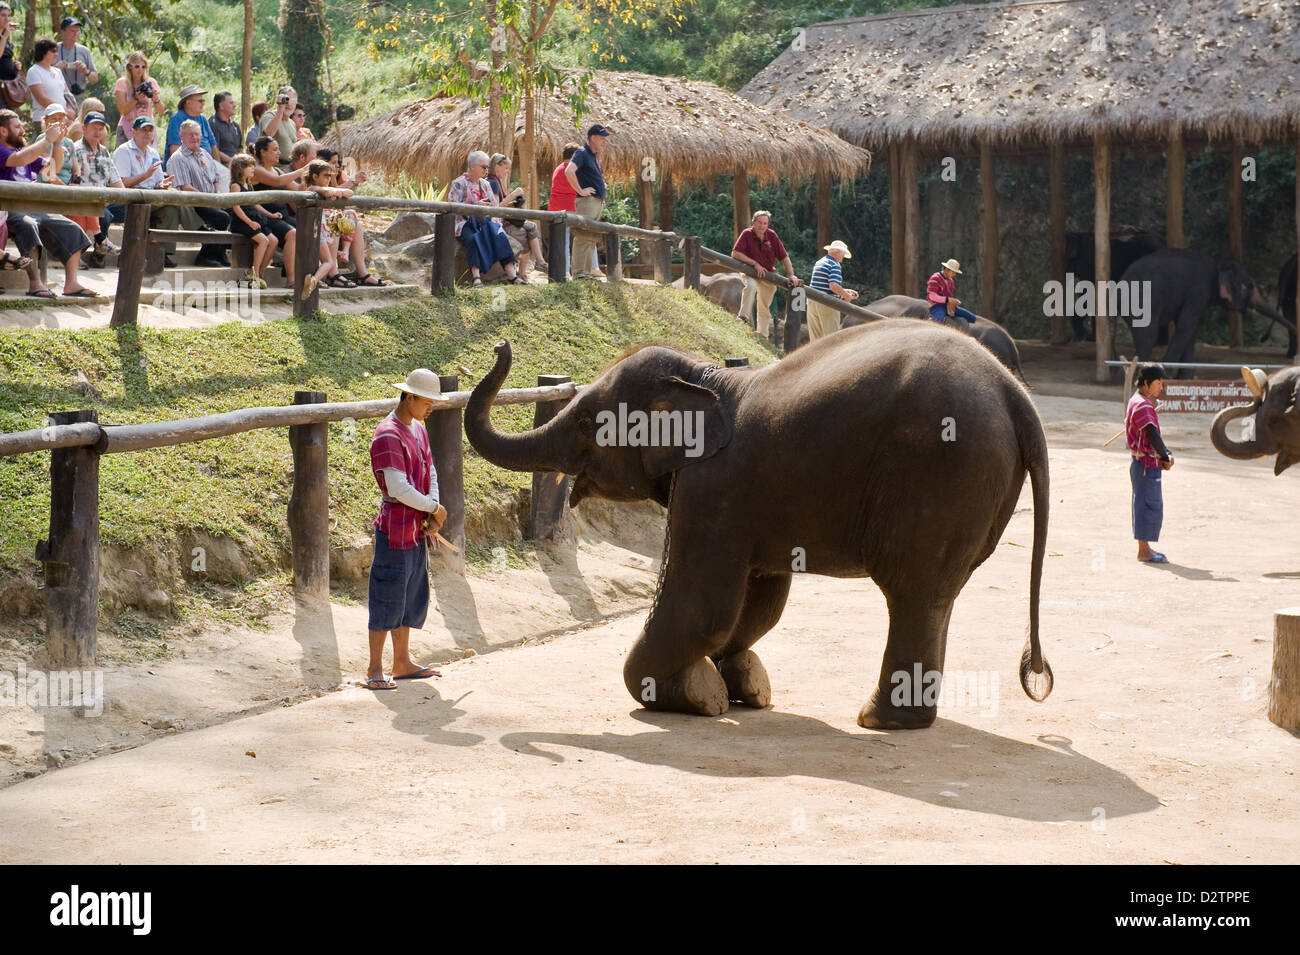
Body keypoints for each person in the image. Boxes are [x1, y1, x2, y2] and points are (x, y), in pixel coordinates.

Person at [364, 368, 449, 690]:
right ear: (409, 397)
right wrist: (433, 508)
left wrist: (433, 506)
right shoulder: (388, 434)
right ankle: (374, 668)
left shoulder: (418, 430)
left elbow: (431, 471)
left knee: (409, 594)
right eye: (427, 401)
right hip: (396, 529)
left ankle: (401, 662)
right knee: (387, 596)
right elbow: (398, 487)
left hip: (415, 529)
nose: (431, 408)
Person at [0, 108, 96, 297]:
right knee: (28, 226)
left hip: (33, 207)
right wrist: (47, 139)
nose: (22, 130)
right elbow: (19, 160)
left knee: (72, 228)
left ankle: (71, 283)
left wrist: (58, 143)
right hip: (8, 211)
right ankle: (35, 283)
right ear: (3, 131)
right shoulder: (3, 151)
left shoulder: (24, 150)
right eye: (17, 126)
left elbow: (53, 169)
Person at [112, 115, 193, 266]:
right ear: (133, 131)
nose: (147, 133)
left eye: (150, 130)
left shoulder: (153, 152)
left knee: (170, 209)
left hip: (151, 196)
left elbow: (156, 182)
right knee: (174, 197)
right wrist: (145, 175)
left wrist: (162, 184)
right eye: (144, 130)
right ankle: (198, 228)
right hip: (130, 198)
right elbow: (121, 183)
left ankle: (162, 254)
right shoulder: (123, 151)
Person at [316, 147, 389, 285]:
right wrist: (351, 182)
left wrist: (347, 182)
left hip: (330, 216)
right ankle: (333, 273)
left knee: (357, 225)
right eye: (333, 162)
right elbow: (333, 193)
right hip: (320, 218)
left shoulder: (335, 177)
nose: (337, 165)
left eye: (338, 162)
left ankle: (362, 273)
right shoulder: (315, 178)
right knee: (336, 220)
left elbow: (340, 193)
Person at [449, 150, 523, 286]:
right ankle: (476, 277)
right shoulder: (458, 183)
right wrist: (476, 206)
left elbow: (495, 207)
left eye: (487, 167)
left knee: (500, 236)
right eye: (483, 167)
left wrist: (496, 224)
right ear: (472, 166)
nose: (486, 170)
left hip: (485, 222)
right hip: (464, 223)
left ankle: (512, 276)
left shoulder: (485, 184)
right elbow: (454, 206)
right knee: (473, 238)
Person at [1125, 362, 1174, 564]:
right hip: (1146, 465)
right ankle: (1144, 551)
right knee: (1147, 504)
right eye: (1158, 383)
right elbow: (1152, 434)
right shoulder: (1143, 405)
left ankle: (1145, 548)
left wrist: (1164, 453)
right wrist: (1165, 456)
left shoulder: (1137, 401)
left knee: (1143, 503)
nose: (1161, 387)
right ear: (1146, 383)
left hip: (1141, 463)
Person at [168, 118, 232, 266]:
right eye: (190, 134)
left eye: (197, 134)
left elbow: (216, 179)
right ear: (181, 137)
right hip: (192, 203)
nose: (195, 138)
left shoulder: (205, 154)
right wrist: (209, 200)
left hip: (212, 200)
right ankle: (204, 257)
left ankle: (219, 253)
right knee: (222, 218)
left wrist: (216, 196)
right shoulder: (178, 158)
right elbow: (185, 187)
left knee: (234, 213)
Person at [731, 210, 801, 339]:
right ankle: (743, 317)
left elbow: (784, 257)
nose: (762, 226)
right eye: (759, 222)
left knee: (764, 305)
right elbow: (735, 253)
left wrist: (791, 275)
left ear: (767, 224)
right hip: (749, 271)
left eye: (765, 223)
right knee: (751, 286)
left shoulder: (772, 235)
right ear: (753, 222)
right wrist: (755, 264)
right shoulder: (746, 233)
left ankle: (763, 334)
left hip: (768, 275)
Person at [249, 136, 307, 282]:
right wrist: (302, 170)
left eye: (278, 149)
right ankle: (291, 280)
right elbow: (277, 182)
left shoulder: (278, 171)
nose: (279, 153)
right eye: (274, 149)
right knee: (292, 233)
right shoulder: (257, 170)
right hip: (265, 216)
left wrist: (311, 176)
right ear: (263, 152)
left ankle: (311, 276)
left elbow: (298, 188)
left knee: (310, 229)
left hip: (282, 216)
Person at [72, 110, 123, 264]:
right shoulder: (77, 149)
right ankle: (96, 249)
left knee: (133, 208)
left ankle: (132, 255)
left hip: (105, 199)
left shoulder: (104, 151)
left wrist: (121, 197)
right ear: (84, 128)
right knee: (104, 214)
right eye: (94, 127)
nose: (98, 131)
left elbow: (117, 182)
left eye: (101, 128)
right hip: (84, 199)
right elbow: (75, 183)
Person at [300, 158, 356, 297]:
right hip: (313, 231)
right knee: (329, 261)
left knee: (328, 261)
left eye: (330, 176)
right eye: (326, 176)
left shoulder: (328, 189)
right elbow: (325, 192)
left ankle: (313, 281)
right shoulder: (312, 188)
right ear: (315, 176)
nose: (329, 179)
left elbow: (350, 193)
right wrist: (336, 192)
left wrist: (339, 192)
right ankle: (314, 281)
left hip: (322, 231)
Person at [227, 153, 282, 287]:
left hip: (254, 220)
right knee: (263, 240)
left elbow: (256, 204)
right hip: (241, 222)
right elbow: (236, 208)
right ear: (240, 169)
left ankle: (261, 271)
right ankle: (254, 272)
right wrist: (249, 222)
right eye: (249, 167)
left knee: (274, 241)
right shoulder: (235, 186)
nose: (253, 169)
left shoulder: (249, 186)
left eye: (253, 166)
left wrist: (271, 215)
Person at [488, 153, 546, 274]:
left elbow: (501, 203)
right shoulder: (492, 182)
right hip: (499, 224)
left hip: (505, 220)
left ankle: (537, 263)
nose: (508, 172)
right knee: (528, 235)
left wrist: (514, 203)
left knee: (532, 227)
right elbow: (495, 207)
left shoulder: (496, 181)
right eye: (506, 168)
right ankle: (527, 270)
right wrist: (513, 195)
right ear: (498, 167)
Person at [565, 123, 610, 280]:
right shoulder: (582, 152)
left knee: (591, 238)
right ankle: (579, 273)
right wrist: (580, 190)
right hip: (587, 202)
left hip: (596, 201)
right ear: (593, 138)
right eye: (602, 138)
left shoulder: (593, 156)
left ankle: (586, 272)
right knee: (583, 236)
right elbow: (569, 171)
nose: (604, 141)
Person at [807, 240, 857, 341]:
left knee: (815, 339)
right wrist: (847, 296)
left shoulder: (819, 262)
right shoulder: (835, 265)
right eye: (843, 254)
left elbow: (822, 285)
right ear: (838, 252)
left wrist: (844, 291)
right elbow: (833, 286)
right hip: (827, 304)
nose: (842, 258)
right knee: (831, 340)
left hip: (812, 301)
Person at [113, 51, 163, 147]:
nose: (140, 70)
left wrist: (156, 99)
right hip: (126, 127)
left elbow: (160, 111)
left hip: (147, 128)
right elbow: (123, 110)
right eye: (137, 66)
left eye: (143, 67)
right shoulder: (122, 83)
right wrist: (136, 99)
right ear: (130, 67)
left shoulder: (151, 82)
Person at [547, 142, 583, 275]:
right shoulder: (573, 170)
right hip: (571, 209)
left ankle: (564, 271)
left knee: (562, 242)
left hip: (556, 209)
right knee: (586, 237)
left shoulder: (558, 168)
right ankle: (589, 268)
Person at [53, 16, 96, 107]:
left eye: (77, 31)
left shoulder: (84, 51)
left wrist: (86, 71)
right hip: (58, 96)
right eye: (72, 31)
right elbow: (43, 74)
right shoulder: (53, 50)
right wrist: (56, 69)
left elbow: (95, 79)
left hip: (79, 96)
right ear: (63, 32)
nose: (75, 34)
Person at [26, 38, 72, 122]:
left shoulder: (57, 71)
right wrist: (62, 111)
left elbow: (67, 94)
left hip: (62, 119)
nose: (56, 54)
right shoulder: (34, 71)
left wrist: (70, 111)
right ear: (43, 53)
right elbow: (42, 99)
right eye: (53, 51)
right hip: (44, 119)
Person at [926, 258, 977, 326]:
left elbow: (948, 296)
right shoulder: (935, 278)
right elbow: (932, 296)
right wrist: (948, 300)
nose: (954, 274)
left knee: (972, 317)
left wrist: (953, 302)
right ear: (946, 270)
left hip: (948, 306)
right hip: (937, 306)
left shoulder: (951, 281)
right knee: (938, 320)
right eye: (953, 272)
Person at [256, 86, 297, 160]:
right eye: (287, 100)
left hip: (290, 166)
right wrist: (280, 109)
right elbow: (269, 133)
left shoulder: (292, 123)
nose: (289, 105)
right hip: (275, 167)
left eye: (293, 101)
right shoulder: (269, 115)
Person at [210, 91, 242, 165]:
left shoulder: (235, 125)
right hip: (223, 167)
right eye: (231, 103)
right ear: (221, 106)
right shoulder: (212, 124)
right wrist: (233, 162)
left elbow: (240, 148)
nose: (234, 105)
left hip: (238, 166)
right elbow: (214, 150)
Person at [0, 3, 19, 86]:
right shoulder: (4, 37)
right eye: (3, 15)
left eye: (9, 16)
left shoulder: (4, 37)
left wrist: (14, 65)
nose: (7, 19)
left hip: (8, 85)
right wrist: (4, 37)